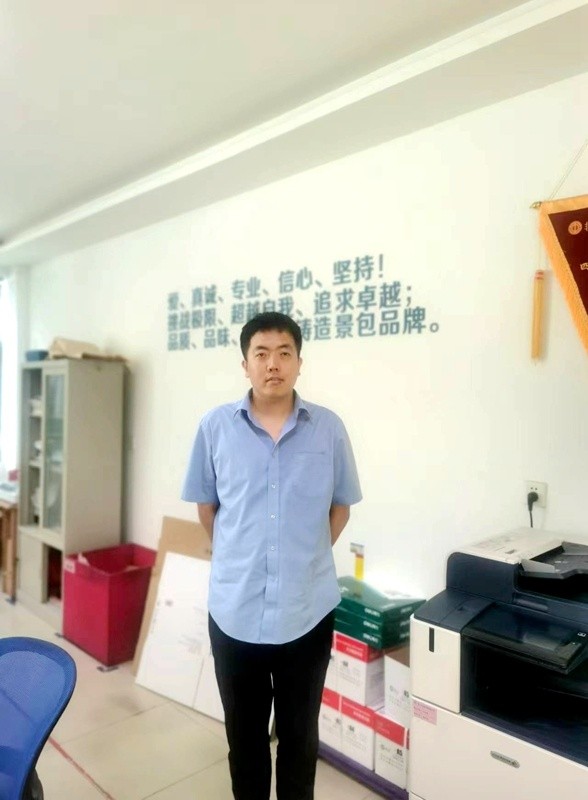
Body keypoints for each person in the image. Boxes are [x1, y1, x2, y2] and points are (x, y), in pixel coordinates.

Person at [182, 311, 362, 800]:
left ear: (300, 362)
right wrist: (245, 554)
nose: (273, 364)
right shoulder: (215, 427)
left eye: (284, 353)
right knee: (245, 742)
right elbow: (207, 508)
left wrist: (302, 558)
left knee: (300, 741)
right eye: (261, 353)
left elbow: (340, 507)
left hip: (307, 611)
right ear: (245, 364)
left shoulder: (328, 429)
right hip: (235, 612)